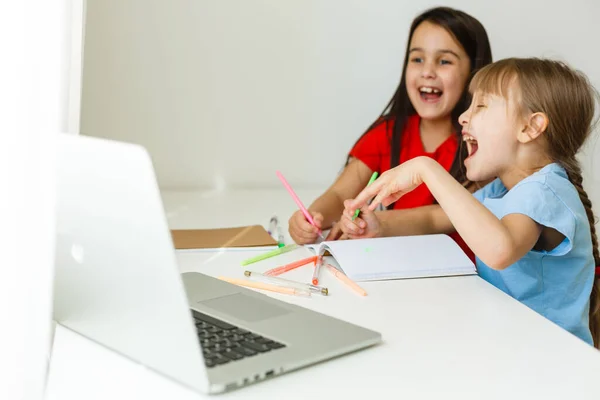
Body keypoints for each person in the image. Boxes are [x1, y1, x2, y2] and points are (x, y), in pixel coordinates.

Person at [344, 58, 600, 347]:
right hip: (512, 351)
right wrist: (377, 224)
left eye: (480, 106)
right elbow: (435, 218)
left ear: (530, 128)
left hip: (551, 364)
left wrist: (426, 169)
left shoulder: (545, 191)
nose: (463, 117)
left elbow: (499, 249)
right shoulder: (502, 191)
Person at [288, 6, 492, 262]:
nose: (427, 71)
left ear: (475, 73)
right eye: (417, 59)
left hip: (461, 277)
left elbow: (441, 217)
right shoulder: (388, 132)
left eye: (444, 61)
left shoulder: (482, 143)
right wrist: (312, 218)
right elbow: (340, 194)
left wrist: (379, 223)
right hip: (394, 270)